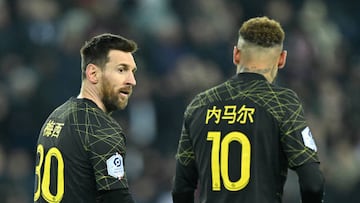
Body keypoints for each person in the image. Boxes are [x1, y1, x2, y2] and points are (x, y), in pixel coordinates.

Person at [172, 16, 325, 203]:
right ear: (281, 59)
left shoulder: (199, 104)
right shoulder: (282, 102)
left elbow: (181, 187)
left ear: (236, 55)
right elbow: (313, 183)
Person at [33, 33, 138, 203]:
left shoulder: (55, 117)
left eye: (132, 72)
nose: (132, 81)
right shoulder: (100, 128)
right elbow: (117, 198)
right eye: (121, 70)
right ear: (93, 73)